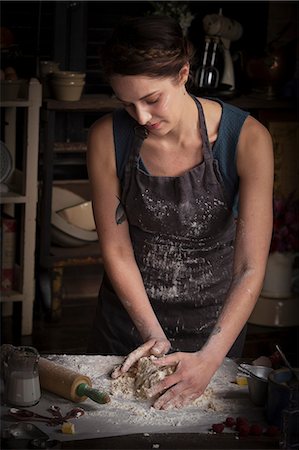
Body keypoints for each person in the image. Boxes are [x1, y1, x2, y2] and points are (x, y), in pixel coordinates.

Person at [87, 15, 274, 410]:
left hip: (214, 330)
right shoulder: (107, 138)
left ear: (183, 73)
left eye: (152, 99)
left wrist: (211, 357)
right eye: (127, 103)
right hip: (129, 330)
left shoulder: (247, 139)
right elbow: (117, 252)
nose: (140, 117)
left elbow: (250, 268)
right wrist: (153, 340)